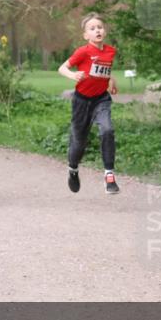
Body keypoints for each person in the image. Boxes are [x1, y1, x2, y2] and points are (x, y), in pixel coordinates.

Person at [58, 13, 120, 194]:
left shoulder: (110, 51)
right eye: (92, 29)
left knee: (107, 130)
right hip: (81, 102)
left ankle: (109, 175)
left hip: (101, 99)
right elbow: (62, 68)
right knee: (79, 142)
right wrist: (72, 75)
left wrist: (112, 82)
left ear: (105, 31)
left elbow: (106, 70)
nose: (97, 30)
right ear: (86, 35)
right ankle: (73, 169)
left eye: (99, 27)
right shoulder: (83, 52)